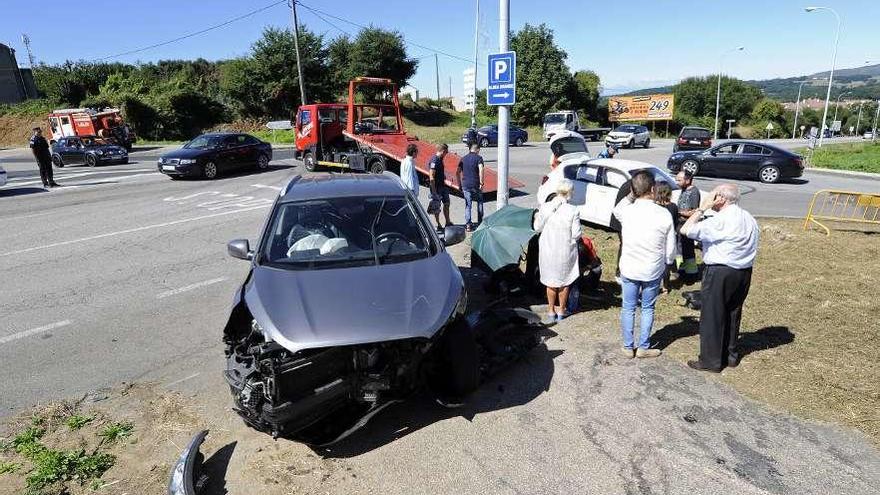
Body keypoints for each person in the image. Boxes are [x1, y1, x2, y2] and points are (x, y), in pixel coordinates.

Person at [680, 184, 759, 373]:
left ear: (721, 198)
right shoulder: (749, 218)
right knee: (733, 313)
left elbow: (686, 230)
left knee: (712, 316)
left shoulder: (720, 220)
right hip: (743, 271)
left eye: (713, 194)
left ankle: (711, 360)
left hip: (720, 271)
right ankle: (730, 355)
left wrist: (702, 208)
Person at [612, 171, 676, 359]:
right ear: (654, 189)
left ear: (632, 190)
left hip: (630, 266)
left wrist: (632, 194)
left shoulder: (627, 211)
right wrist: (668, 262)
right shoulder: (664, 214)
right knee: (648, 307)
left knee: (628, 307)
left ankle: (627, 346)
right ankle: (643, 346)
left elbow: (617, 209)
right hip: (652, 268)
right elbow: (670, 246)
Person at [533, 179, 581, 324]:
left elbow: (537, 228)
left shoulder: (546, 207)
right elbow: (576, 233)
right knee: (564, 281)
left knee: (550, 281)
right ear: (570, 193)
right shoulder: (573, 210)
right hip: (565, 249)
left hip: (548, 248)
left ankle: (550, 310)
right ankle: (561, 310)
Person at [654, 182, 679, 293]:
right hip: (669, 236)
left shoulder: (654, 207)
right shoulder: (673, 207)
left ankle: (654, 283)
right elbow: (675, 222)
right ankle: (665, 286)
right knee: (667, 263)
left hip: (657, 236)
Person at [675, 170, 701, 281]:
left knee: (688, 249)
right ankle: (680, 269)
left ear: (688, 180)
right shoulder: (684, 190)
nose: (676, 182)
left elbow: (694, 211)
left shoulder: (694, 192)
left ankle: (691, 273)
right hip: (679, 224)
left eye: (679, 180)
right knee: (679, 249)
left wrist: (679, 212)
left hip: (687, 225)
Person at [455, 142, 485, 232]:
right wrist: (481, 183)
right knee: (479, 202)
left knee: (468, 205)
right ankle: (480, 223)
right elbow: (481, 170)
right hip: (476, 184)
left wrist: (459, 184)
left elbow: (457, 172)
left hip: (465, 185)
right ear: (477, 150)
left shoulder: (463, 159)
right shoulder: (479, 158)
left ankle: (468, 225)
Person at [428, 143, 452, 230]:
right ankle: (438, 225)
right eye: (446, 152)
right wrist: (434, 191)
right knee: (436, 207)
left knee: (447, 203)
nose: (447, 153)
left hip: (443, 186)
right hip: (437, 188)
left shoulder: (440, 159)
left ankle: (448, 222)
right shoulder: (434, 160)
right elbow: (431, 176)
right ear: (442, 151)